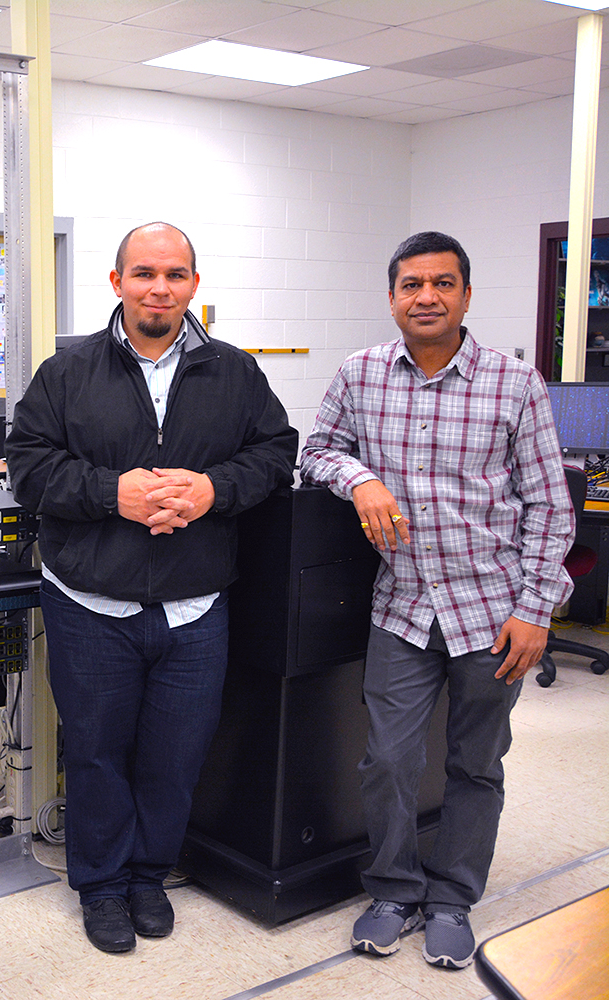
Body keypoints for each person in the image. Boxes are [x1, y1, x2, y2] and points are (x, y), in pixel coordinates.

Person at [5, 222, 298, 954]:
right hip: (89, 604)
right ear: (116, 284)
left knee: (174, 757)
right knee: (99, 754)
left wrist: (211, 489)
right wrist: (114, 494)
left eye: (173, 274)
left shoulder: (235, 373)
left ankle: (147, 876)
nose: (158, 288)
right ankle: (101, 886)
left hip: (195, 607)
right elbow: (28, 468)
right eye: (143, 274)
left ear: (194, 284)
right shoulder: (66, 374)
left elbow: (276, 453)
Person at [299, 231, 574, 970]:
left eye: (443, 284)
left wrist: (537, 608)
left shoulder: (515, 383)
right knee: (387, 761)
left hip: (494, 610)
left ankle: (452, 897)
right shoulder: (360, 374)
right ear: (392, 297)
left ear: (465, 295)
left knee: (475, 763)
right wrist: (360, 478)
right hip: (404, 606)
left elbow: (550, 507)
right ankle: (392, 890)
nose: (427, 297)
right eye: (412, 284)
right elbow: (316, 446)